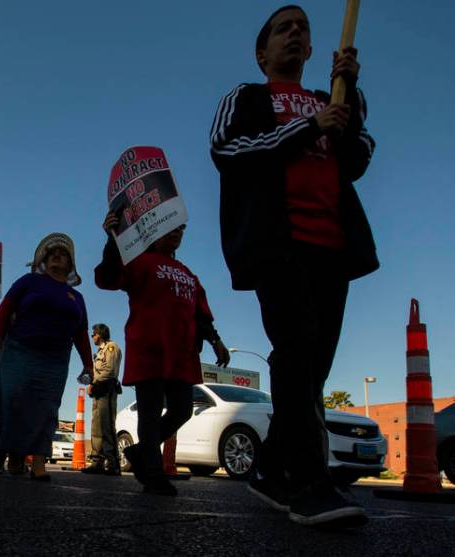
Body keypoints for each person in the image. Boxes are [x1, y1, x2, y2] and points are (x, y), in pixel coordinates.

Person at [209, 5, 376, 527]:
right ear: (263, 53)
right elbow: (228, 149)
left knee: (313, 368)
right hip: (277, 243)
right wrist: (308, 127)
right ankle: (310, 483)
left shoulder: (332, 98)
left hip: (332, 245)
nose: (296, 33)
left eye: (303, 27)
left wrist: (351, 97)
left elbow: (359, 157)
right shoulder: (249, 97)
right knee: (296, 349)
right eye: (284, 27)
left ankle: (269, 469)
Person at [96, 218, 229, 495]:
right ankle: (153, 475)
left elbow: (200, 313)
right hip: (149, 345)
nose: (177, 233)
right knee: (150, 409)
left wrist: (216, 340)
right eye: (172, 228)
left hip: (182, 351)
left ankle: (139, 452)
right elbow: (107, 277)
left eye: (181, 229)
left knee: (182, 409)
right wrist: (112, 237)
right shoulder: (140, 261)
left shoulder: (187, 273)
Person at [0, 233, 93, 480]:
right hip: (20, 351)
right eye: (52, 253)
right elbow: (6, 307)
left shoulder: (76, 298)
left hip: (55, 360)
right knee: (14, 402)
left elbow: (81, 333)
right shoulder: (28, 282)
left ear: (70, 264)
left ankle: (38, 462)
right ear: (45, 260)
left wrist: (89, 364)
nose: (57, 255)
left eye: (63, 254)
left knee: (45, 408)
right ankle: (14, 456)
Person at [81, 323, 123, 475]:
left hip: (106, 390)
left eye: (94, 334)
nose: (92, 336)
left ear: (100, 334)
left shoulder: (111, 348)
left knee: (107, 426)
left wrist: (95, 383)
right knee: (96, 428)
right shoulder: (99, 351)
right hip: (98, 391)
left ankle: (113, 463)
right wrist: (91, 383)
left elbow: (110, 371)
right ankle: (97, 462)